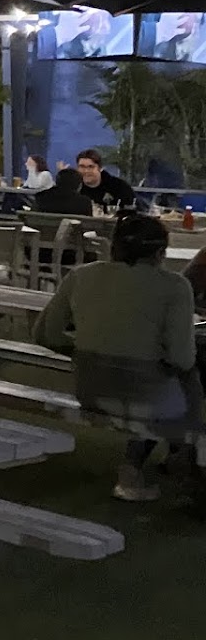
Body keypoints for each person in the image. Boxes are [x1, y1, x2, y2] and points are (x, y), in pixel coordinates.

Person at [35, 213, 200, 501]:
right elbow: (182, 358)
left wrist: (81, 350)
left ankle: (167, 459)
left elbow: (44, 334)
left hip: (90, 389)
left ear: (114, 246)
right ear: (161, 252)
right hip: (149, 398)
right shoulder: (174, 286)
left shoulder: (81, 276)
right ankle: (180, 457)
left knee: (163, 387)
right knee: (188, 381)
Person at [71, 147, 136, 213]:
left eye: (91, 167)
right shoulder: (72, 187)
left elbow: (134, 212)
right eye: (82, 166)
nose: (86, 171)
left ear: (100, 168)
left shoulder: (120, 187)